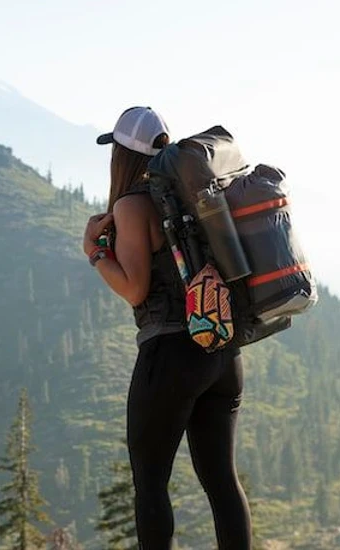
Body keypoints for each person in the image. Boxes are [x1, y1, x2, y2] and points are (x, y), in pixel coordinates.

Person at [84, 107, 252, 549]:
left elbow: (136, 289)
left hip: (171, 355)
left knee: (151, 483)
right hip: (223, 350)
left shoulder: (131, 205)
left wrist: (96, 254)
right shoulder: (191, 195)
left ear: (121, 155)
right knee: (222, 484)